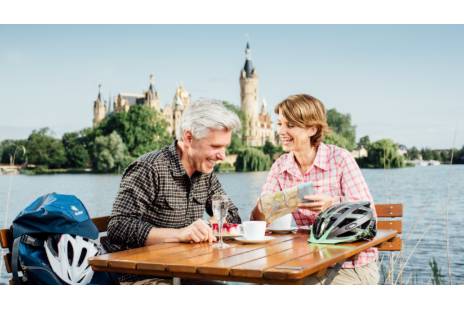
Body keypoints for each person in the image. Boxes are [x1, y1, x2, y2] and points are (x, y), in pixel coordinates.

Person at [107, 99, 242, 284]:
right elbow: (118, 226)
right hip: (142, 276)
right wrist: (180, 234)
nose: (223, 156)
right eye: (216, 146)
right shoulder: (149, 168)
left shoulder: (205, 173)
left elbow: (232, 215)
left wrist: (211, 227)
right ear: (188, 138)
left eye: (225, 147)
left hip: (187, 272)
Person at [250, 94, 379, 285]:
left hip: (350, 266)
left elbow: (369, 216)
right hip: (303, 264)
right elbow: (259, 221)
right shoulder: (280, 166)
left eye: (290, 125)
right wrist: (265, 208)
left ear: (312, 129)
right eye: (280, 124)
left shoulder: (340, 159)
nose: (282, 131)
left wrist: (332, 204)